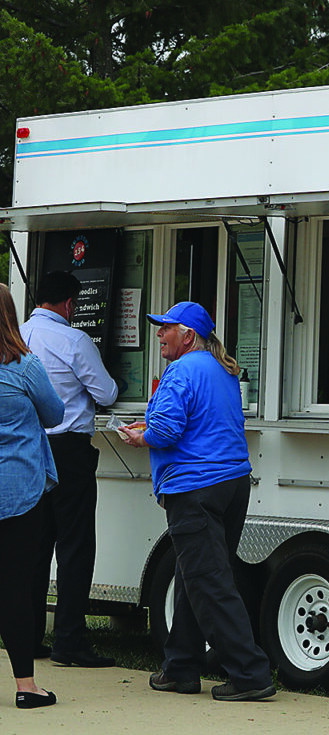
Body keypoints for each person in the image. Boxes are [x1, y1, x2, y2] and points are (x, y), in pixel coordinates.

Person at [119, 301, 275, 702]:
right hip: (232, 483)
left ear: (187, 335)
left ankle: (250, 673)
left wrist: (142, 436)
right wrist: (152, 426)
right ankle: (180, 668)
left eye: (165, 328)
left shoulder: (181, 370)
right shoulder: (222, 370)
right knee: (194, 576)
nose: (158, 335)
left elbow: (167, 431)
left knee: (208, 582)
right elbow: (199, 422)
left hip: (195, 489)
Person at [20, 271, 119, 668]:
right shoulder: (74, 340)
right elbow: (107, 393)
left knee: (36, 545)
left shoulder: (19, 335)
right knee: (75, 546)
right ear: (69, 304)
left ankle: (27, 637)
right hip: (68, 451)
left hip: (27, 448)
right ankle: (69, 641)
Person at [0, 283, 64, 709]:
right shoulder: (24, 366)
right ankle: (26, 686)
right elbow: (56, 414)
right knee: (17, 588)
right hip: (19, 493)